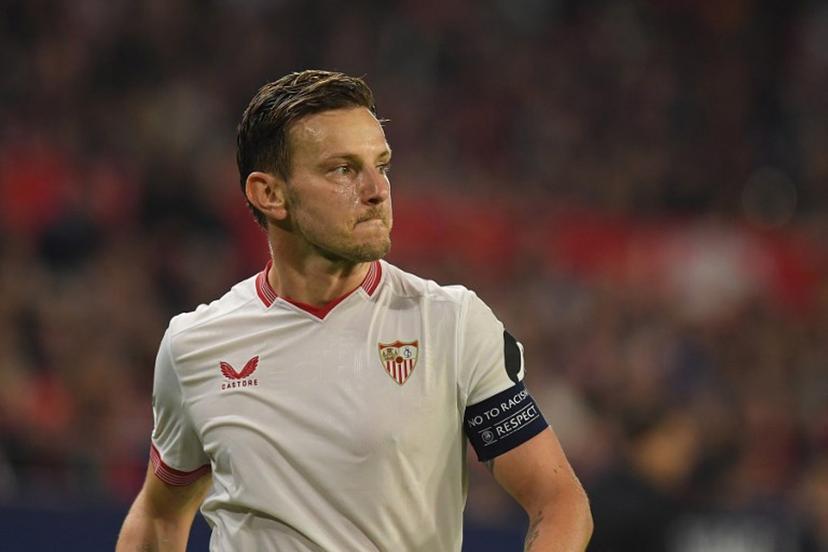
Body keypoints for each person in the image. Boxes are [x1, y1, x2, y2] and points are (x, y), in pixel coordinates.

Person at [116, 70, 592, 551]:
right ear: (270, 194)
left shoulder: (451, 321)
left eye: (381, 165)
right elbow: (159, 516)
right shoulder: (194, 345)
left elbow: (558, 502)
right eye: (343, 169)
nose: (376, 189)